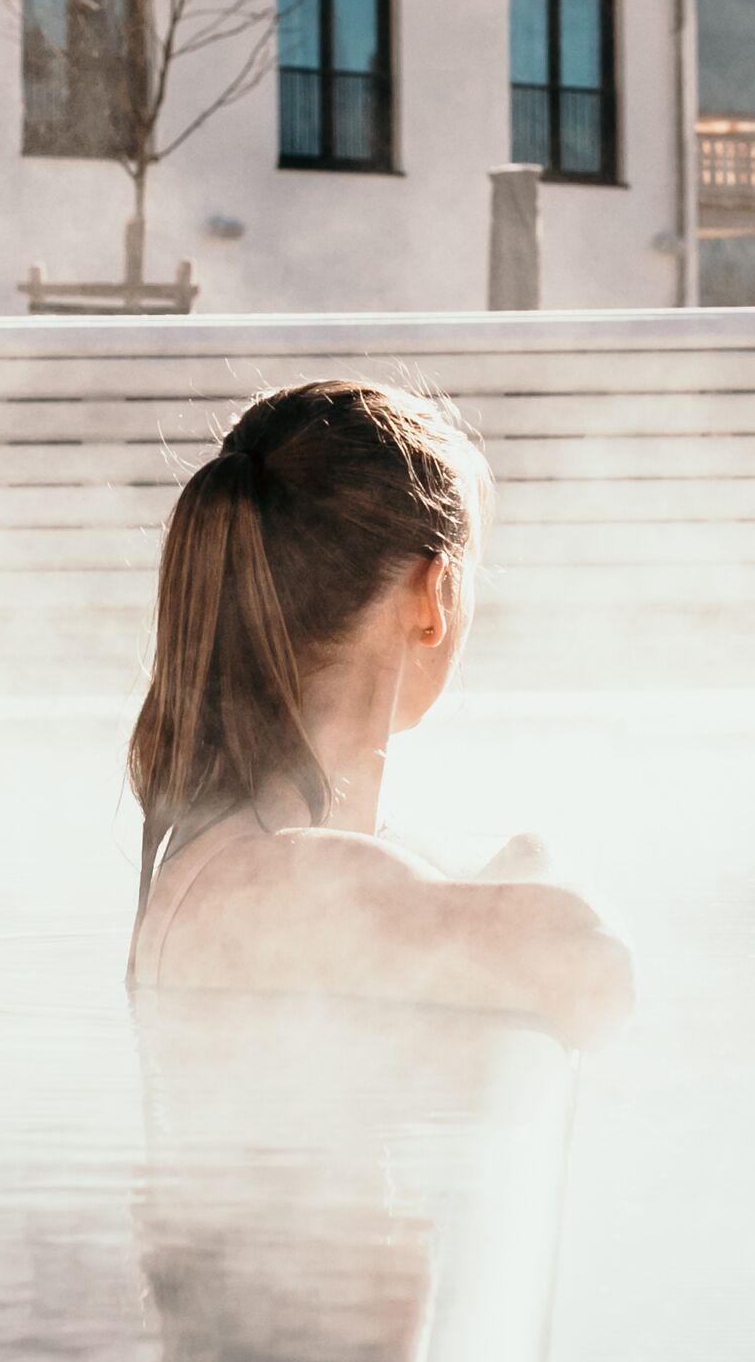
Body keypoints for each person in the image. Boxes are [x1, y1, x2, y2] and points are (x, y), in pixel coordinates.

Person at [127, 380, 633, 1048]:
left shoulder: (230, 859)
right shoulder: (280, 881)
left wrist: (493, 885)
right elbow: (591, 962)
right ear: (431, 597)